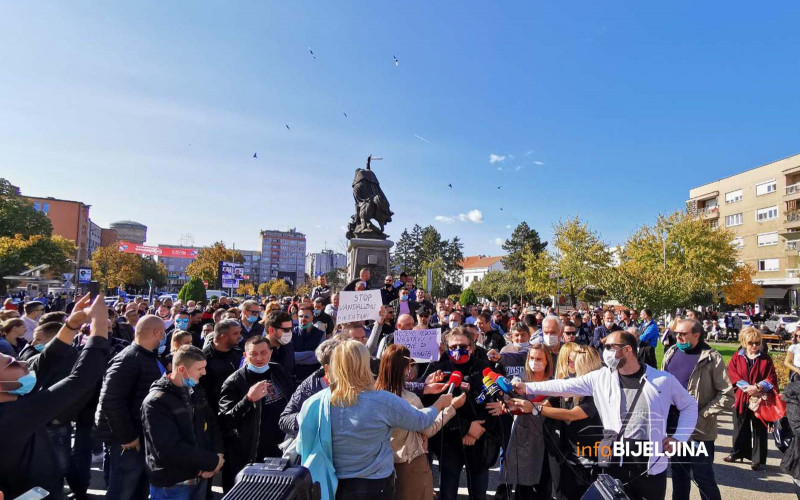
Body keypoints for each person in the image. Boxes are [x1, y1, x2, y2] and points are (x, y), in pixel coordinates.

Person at [512, 331, 699, 500]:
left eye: (610, 347)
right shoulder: (602, 377)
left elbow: (690, 406)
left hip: (650, 468)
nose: (605, 352)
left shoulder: (662, 380)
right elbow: (563, 385)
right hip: (612, 464)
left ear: (627, 349)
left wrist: (679, 438)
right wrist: (528, 387)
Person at [296, 340, 452, 500]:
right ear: (365, 364)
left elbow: (301, 446)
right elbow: (422, 421)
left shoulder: (314, 402)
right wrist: (440, 404)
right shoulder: (382, 401)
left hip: (330, 484)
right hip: (376, 485)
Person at [0, 292, 110, 499]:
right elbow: (81, 379)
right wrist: (100, 323)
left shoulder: (11, 395)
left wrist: (70, 326)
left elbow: (44, 363)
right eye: (11, 364)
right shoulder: (14, 415)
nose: (22, 362)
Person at [375, 344, 465, 500]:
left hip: (381, 463)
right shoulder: (409, 399)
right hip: (409, 463)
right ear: (405, 368)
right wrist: (451, 408)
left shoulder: (373, 393)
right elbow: (428, 428)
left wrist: (425, 386)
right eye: (410, 364)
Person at [96, 314, 168, 500]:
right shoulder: (128, 359)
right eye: (163, 332)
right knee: (122, 492)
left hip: (142, 438)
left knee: (138, 491)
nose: (164, 336)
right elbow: (111, 400)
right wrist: (128, 436)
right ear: (157, 332)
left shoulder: (148, 357)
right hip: (128, 442)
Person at [425, 327, 501, 500]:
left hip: (479, 440)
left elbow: (493, 403)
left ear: (472, 347)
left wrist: (477, 430)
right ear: (446, 346)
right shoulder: (438, 370)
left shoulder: (484, 368)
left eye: (463, 346)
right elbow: (434, 409)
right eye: (453, 347)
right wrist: (466, 428)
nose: (458, 350)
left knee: (479, 494)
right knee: (448, 493)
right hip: (449, 442)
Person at [662, 319, 733, 500]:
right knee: (679, 476)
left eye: (683, 334)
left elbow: (727, 395)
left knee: (704, 478)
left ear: (696, 335)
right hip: (674, 428)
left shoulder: (711, 357)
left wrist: (700, 416)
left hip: (699, 430)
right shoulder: (671, 352)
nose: (678, 336)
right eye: (676, 333)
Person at [141, 346, 224, 500]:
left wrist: (218, 455)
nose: (204, 373)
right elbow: (169, 449)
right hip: (173, 486)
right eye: (200, 368)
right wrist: (211, 462)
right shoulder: (156, 402)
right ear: (181, 370)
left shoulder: (195, 391)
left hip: (200, 479)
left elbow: (211, 425)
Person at [218, 335, 295, 491]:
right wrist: (248, 399)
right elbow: (226, 421)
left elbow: (293, 399)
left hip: (281, 448)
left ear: (270, 353)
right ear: (245, 355)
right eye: (254, 354)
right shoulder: (234, 382)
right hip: (251, 453)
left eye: (263, 352)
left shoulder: (278, 370)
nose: (259, 357)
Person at [487, 343, 555, 499]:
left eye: (539, 358)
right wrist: (504, 401)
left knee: (544, 488)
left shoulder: (554, 382)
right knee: (523, 488)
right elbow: (508, 400)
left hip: (547, 438)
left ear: (547, 362)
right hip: (523, 438)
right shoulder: (518, 380)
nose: (535, 361)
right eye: (532, 358)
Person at [726, 326, 778, 470]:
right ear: (744, 342)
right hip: (741, 397)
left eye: (757, 343)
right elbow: (732, 374)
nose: (754, 346)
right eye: (751, 343)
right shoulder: (737, 357)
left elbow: (771, 377)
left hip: (760, 398)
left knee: (759, 429)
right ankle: (737, 452)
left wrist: (758, 387)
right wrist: (747, 387)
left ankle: (758, 460)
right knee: (739, 427)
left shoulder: (765, 359)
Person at [279, 338, 340, 438]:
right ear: (327, 368)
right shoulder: (308, 388)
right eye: (343, 363)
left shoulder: (356, 385)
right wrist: (309, 418)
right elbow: (284, 420)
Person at [200, 319, 242, 416]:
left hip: (239, 408)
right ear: (223, 337)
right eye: (236, 334)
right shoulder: (203, 359)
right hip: (215, 413)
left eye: (239, 333)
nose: (239, 337)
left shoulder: (239, 354)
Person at [293, 304, 326, 382]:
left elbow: (320, 357)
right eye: (301, 316)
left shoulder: (320, 334)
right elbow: (289, 356)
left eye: (306, 316)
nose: (303, 319)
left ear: (312, 317)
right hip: (294, 377)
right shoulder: (291, 333)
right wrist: (311, 353)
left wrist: (297, 358)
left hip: (313, 377)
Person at [264, 310, 296, 376]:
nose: (289, 333)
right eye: (286, 330)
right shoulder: (258, 350)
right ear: (271, 330)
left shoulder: (288, 346)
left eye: (291, 329)